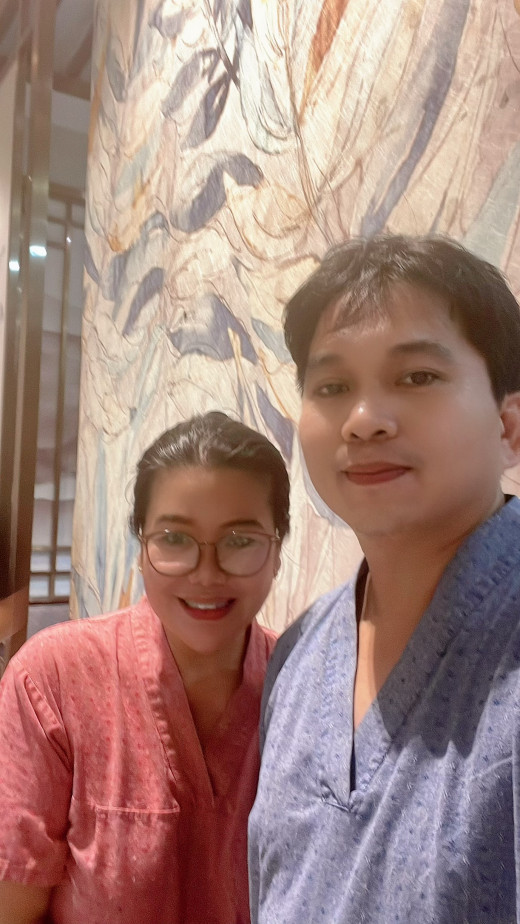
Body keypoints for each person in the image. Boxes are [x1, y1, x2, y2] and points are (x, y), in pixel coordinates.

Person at [248, 234, 520, 923]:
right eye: (332, 387)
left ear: (509, 426)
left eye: (417, 376)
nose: (363, 421)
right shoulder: (299, 652)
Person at [0, 411, 290, 924]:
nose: (206, 574)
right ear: (140, 548)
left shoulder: (303, 685)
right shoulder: (53, 678)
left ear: (277, 552)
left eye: (240, 540)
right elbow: (15, 907)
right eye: (174, 539)